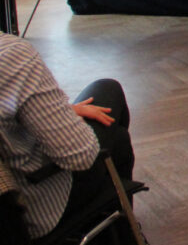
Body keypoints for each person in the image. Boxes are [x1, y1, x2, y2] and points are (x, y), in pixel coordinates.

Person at [0, 34, 134, 240]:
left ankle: (121, 231)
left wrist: (60, 111)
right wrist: (66, 120)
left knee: (119, 140)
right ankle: (127, 231)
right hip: (32, 207)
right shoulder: (11, 55)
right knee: (109, 90)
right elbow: (80, 156)